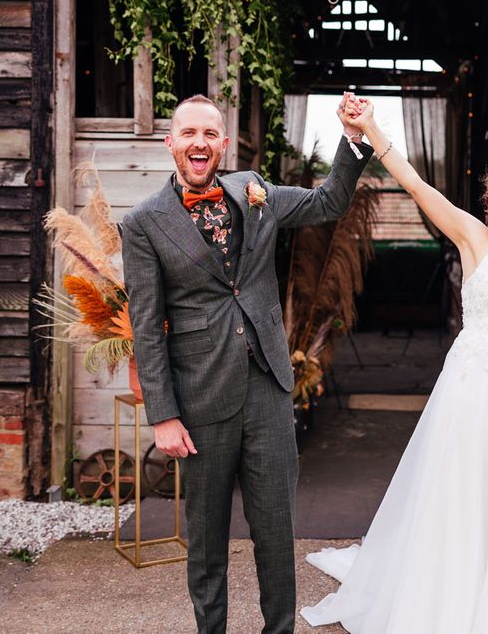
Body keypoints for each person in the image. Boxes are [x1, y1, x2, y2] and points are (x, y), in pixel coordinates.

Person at [301, 98, 488, 633]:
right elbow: (416, 185)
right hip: (473, 389)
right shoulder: (474, 236)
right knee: (465, 497)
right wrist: (372, 130)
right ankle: (453, 604)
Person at [122, 93, 373, 634]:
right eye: (188, 133)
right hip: (200, 398)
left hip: (268, 390)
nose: (200, 143)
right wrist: (163, 415)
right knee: (207, 539)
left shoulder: (254, 189)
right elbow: (146, 325)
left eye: (210, 134)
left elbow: (328, 202)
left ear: (224, 143)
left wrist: (353, 139)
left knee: (276, 532)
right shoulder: (143, 223)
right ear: (171, 143)